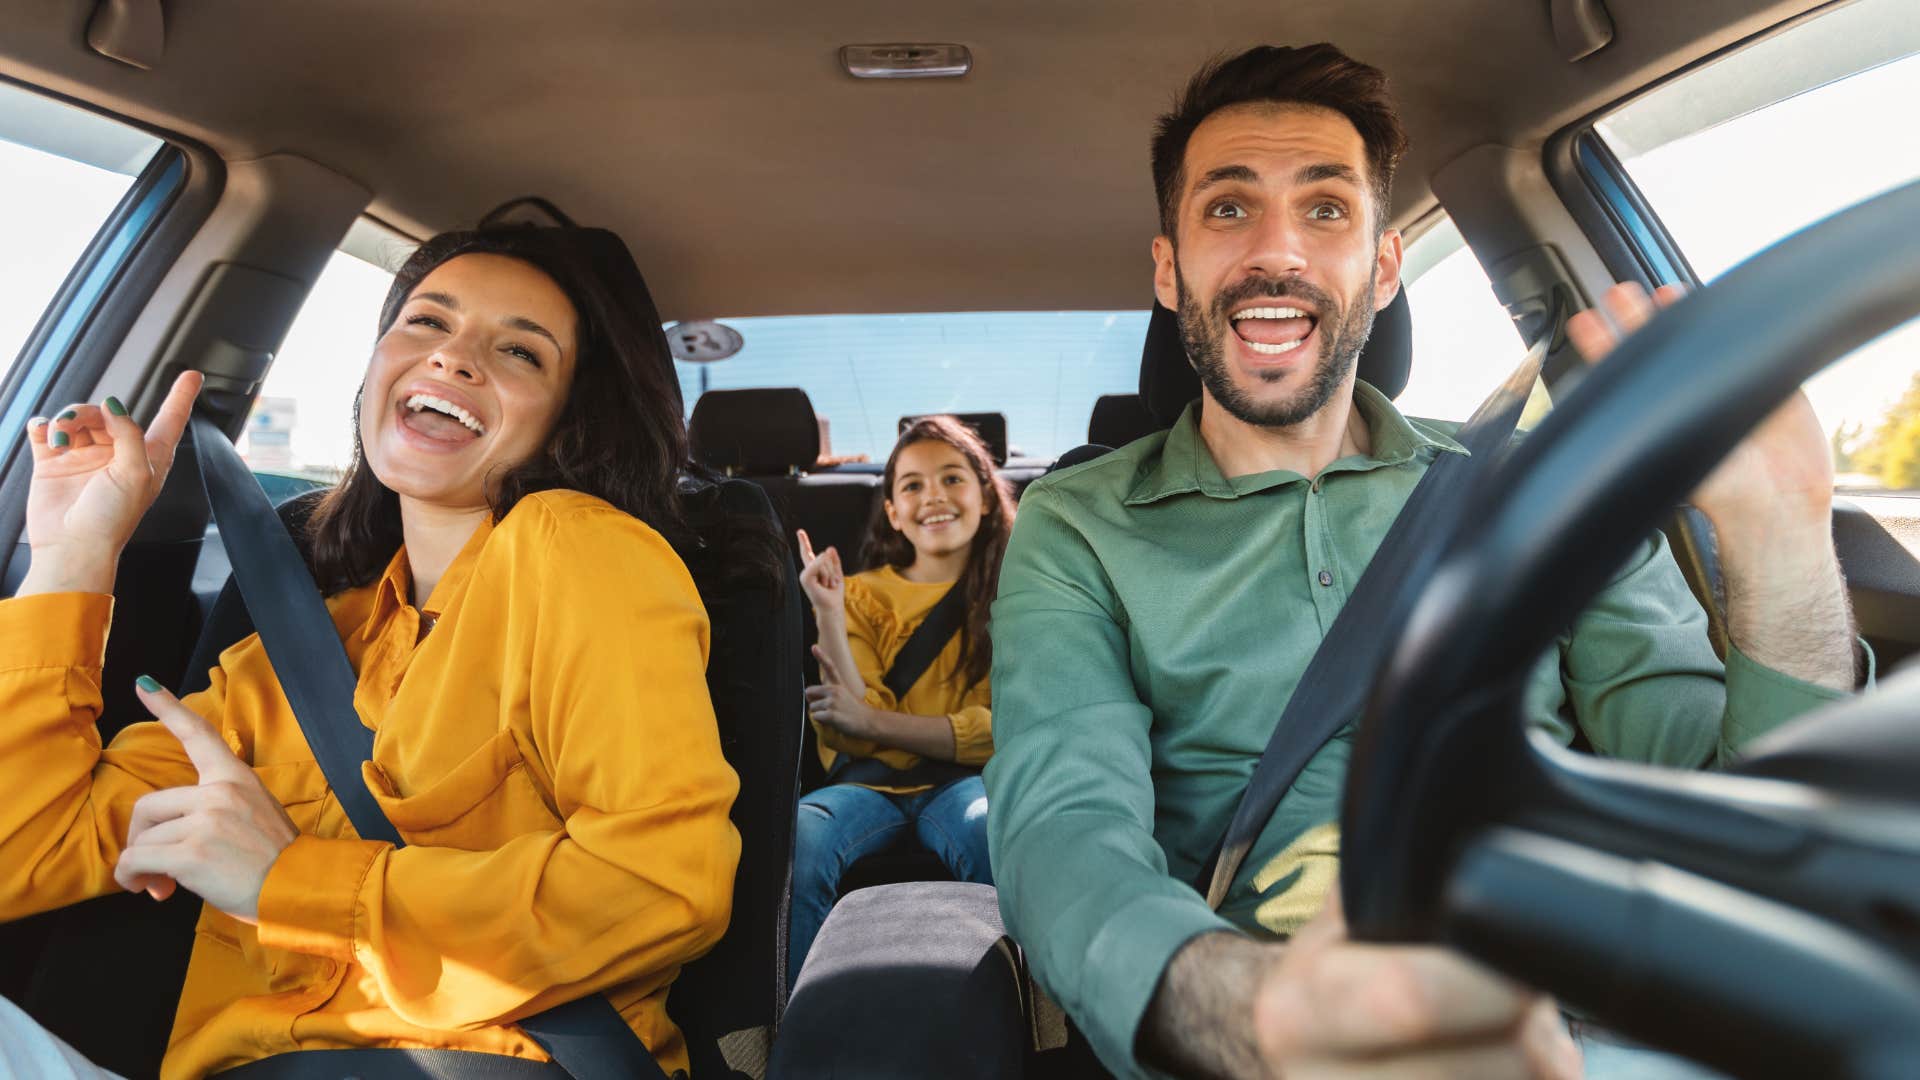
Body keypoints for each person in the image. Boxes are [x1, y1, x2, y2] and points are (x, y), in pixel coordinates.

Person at [985, 43, 1864, 1080]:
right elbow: (1066, 831)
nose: (1279, 253)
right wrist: (1263, 1016)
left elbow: (1730, 821)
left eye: (1326, 210)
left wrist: (1784, 542)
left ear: (1386, 265)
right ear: (1170, 269)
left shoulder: (1546, 486)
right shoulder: (1076, 524)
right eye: (1228, 209)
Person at [0, 224, 781, 1078]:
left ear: (570, 419)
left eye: (520, 352)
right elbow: (25, 854)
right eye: (425, 322)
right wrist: (73, 556)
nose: (452, 359)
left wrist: (288, 884)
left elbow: (662, 884)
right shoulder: (293, 656)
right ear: (375, 371)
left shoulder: (578, 548)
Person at [788, 415, 1015, 981]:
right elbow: (845, 727)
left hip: (966, 786)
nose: (932, 496)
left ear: (985, 496)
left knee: (995, 828)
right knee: (804, 835)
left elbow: (1007, 728)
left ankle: (1027, 1023)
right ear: (892, 511)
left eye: (952, 478)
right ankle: (789, 1027)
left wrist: (876, 723)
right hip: (867, 789)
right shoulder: (861, 595)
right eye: (912, 485)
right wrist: (829, 615)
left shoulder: (1019, 592)